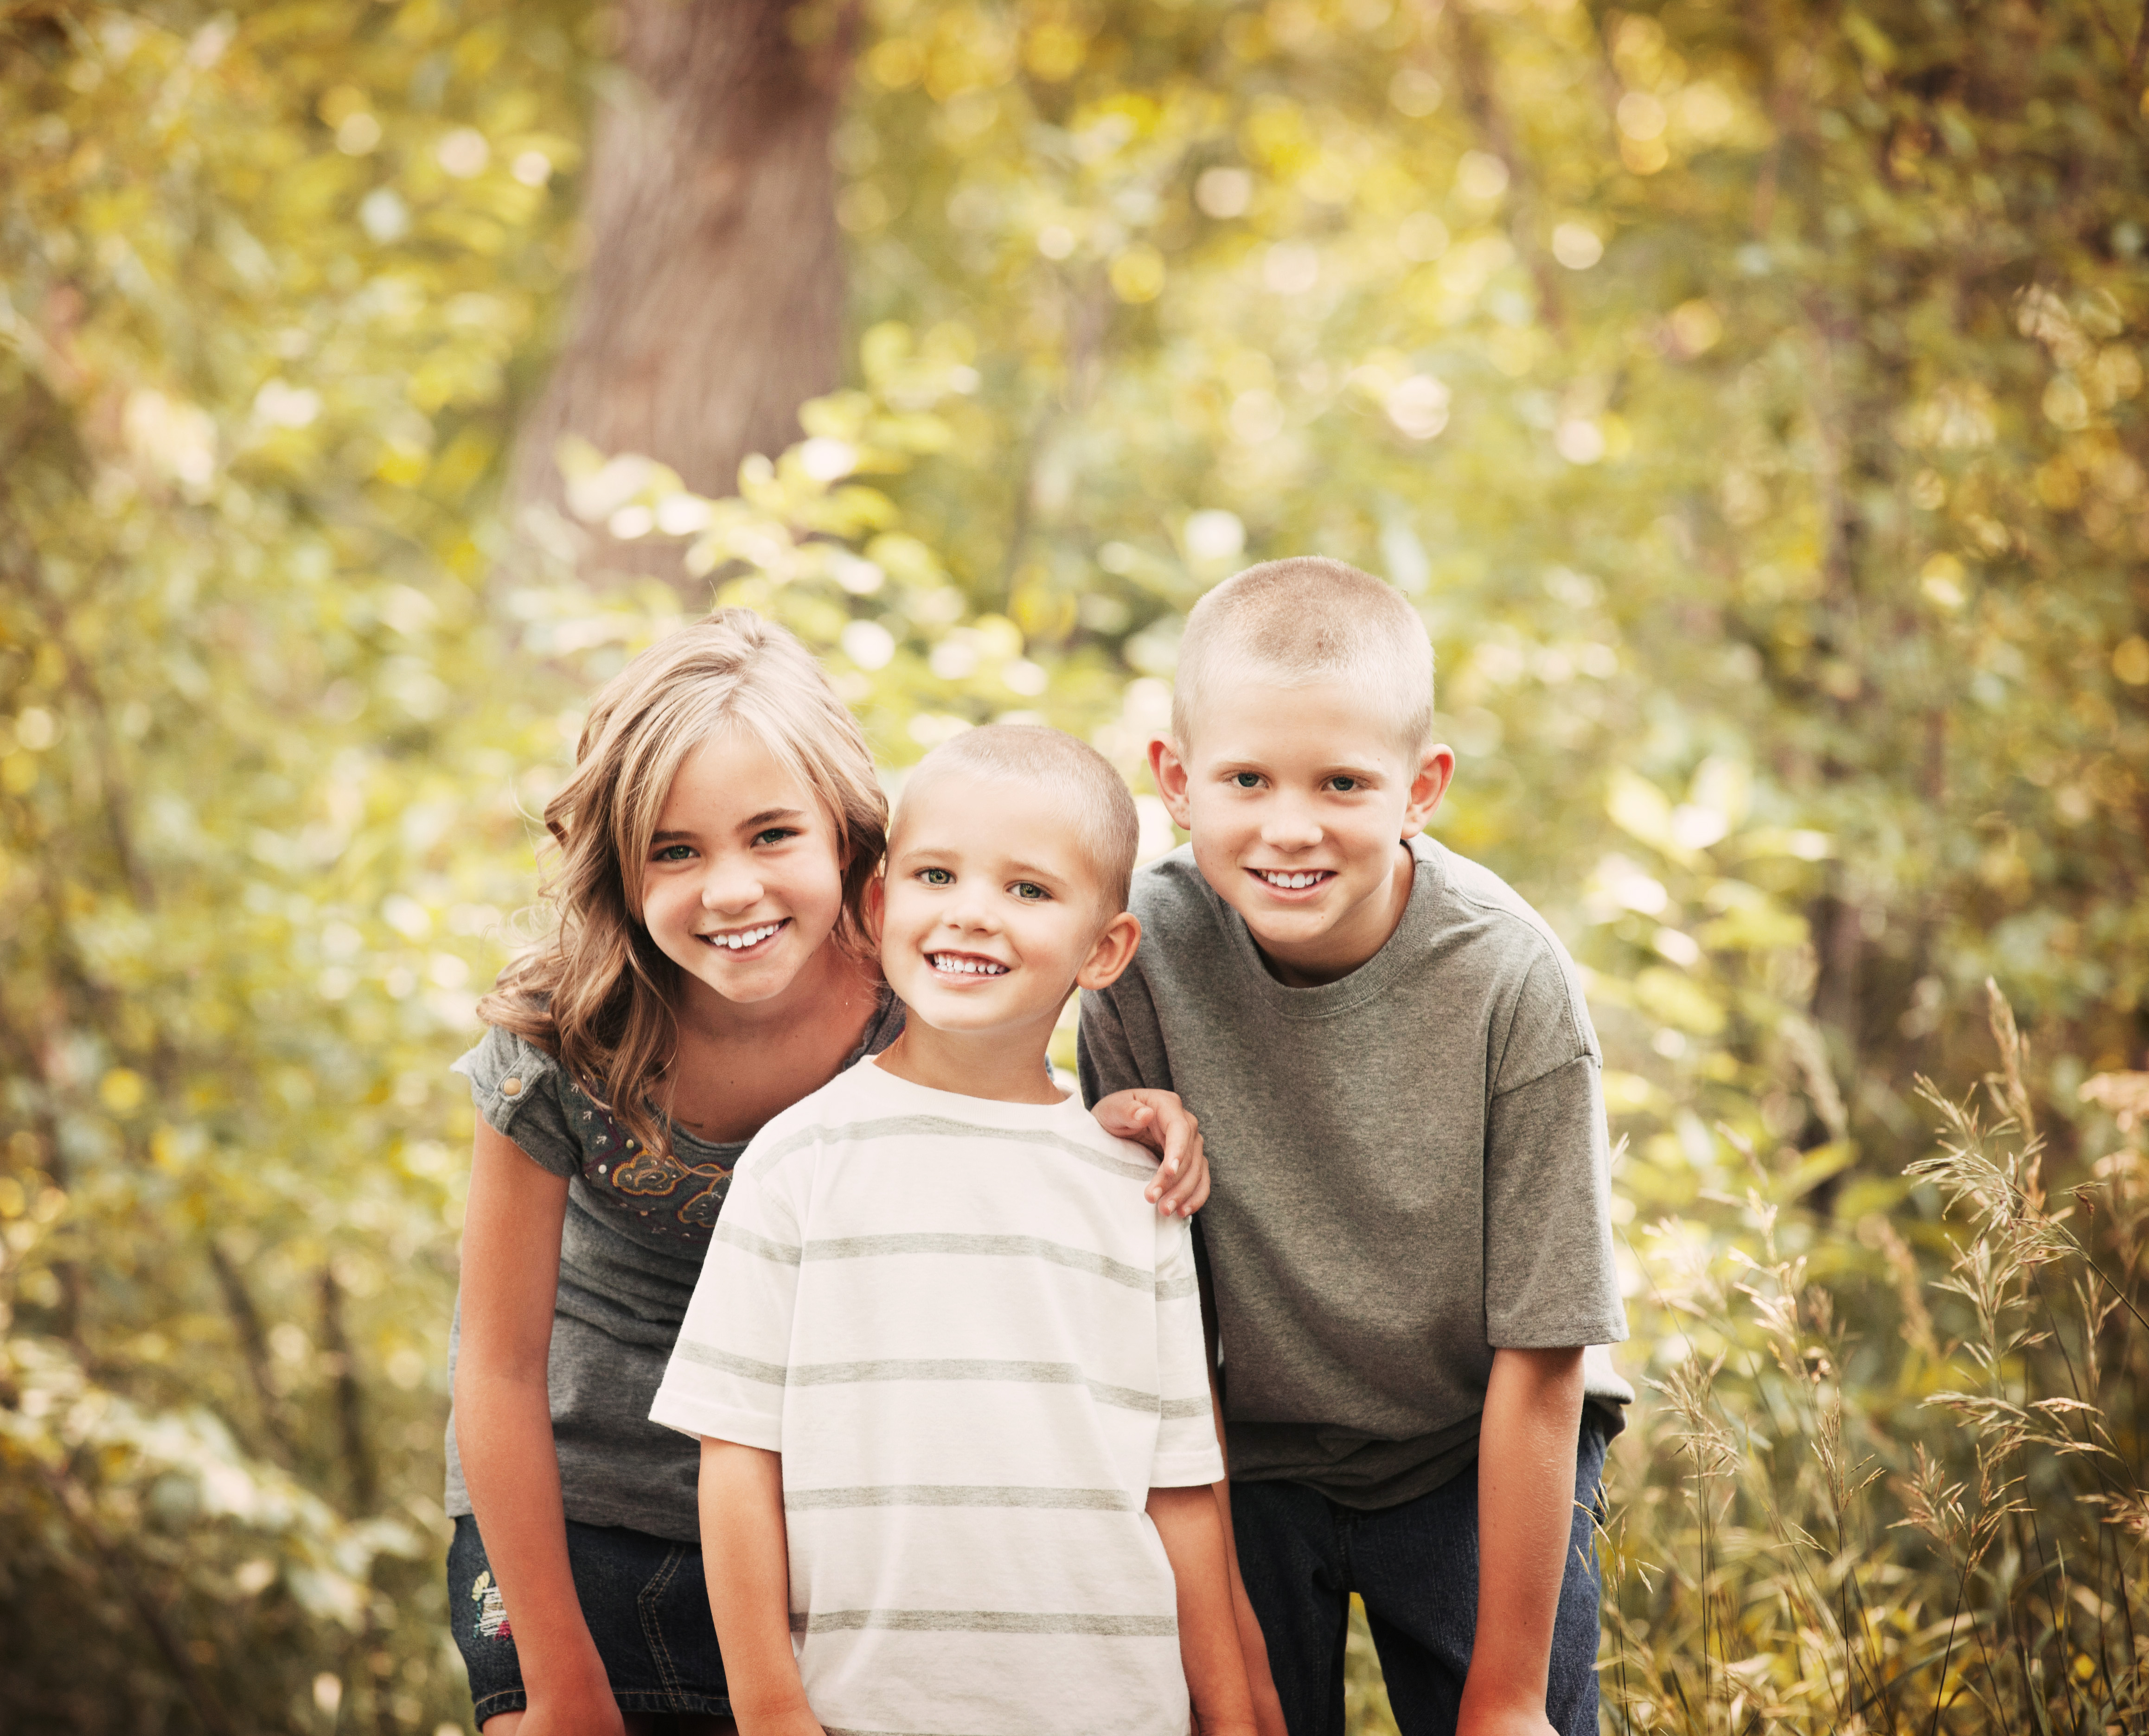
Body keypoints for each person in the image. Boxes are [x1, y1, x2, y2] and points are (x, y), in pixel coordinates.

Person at [444, 612, 1209, 1735]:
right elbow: (499, 1370)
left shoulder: (913, 987)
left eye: (771, 837)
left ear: (851, 844)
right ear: (619, 863)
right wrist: (562, 1679)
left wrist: (1112, 1118)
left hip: (820, 1536)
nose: (731, 890)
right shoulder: (559, 1041)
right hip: (577, 1517)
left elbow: (1001, 1143)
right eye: (674, 851)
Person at [1076, 557, 1633, 1736]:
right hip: (1245, 1461)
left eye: (1343, 782)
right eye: (1246, 779)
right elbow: (1157, 1313)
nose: (1292, 827)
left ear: (1420, 789)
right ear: (1176, 782)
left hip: (1473, 1448)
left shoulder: (1510, 982)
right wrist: (1225, 1633)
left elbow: (1544, 1352)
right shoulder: (1139, 955)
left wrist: (1507, 1696)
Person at [649, 724, 1261, 1736]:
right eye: (937, 875)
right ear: (880, 905)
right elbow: (737, 1457)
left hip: (1118, 1712)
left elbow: (1181, 1489)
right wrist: (769, 1709)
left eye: (1028, 890)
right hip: (864, 1711)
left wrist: (1230, 1716)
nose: (973, 913)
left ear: (1104, 950)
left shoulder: (1137, 1186)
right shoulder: (799, 1162)